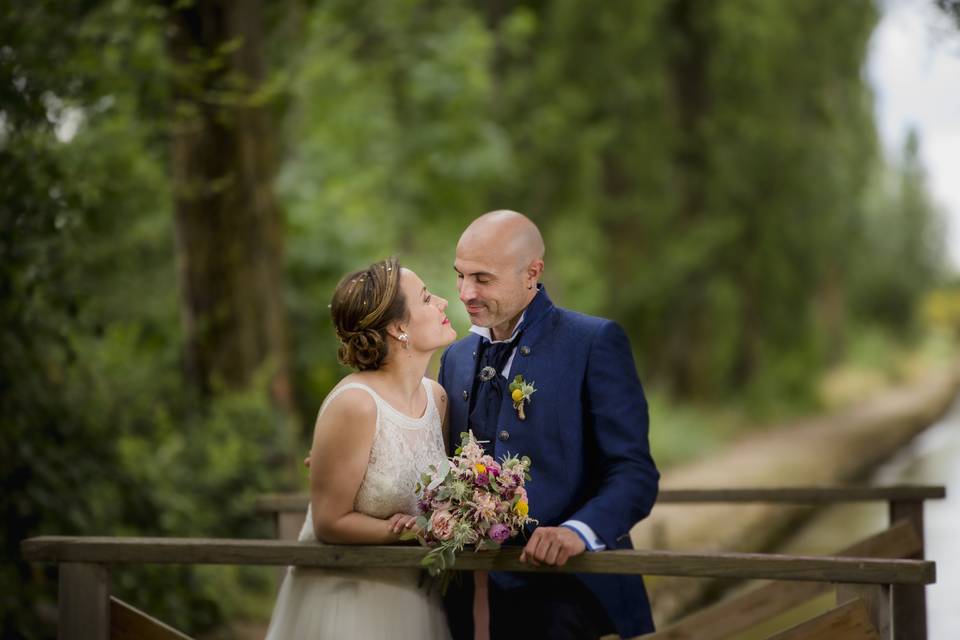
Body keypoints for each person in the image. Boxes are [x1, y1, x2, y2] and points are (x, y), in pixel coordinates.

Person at [439, 210, 660, 639]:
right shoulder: (454, 358)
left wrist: (578, 532)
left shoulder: (593, 342)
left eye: (482, 279)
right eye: (460, 275)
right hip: (466, 594)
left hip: (570, 596)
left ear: (532, 273)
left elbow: (634, 473)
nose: (465, 292)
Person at [265, 257, 455, 639]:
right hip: (350, 597)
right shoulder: (355, 404)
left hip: (416, 598)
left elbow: (444, 493)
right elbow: (328, 521)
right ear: (399, 327)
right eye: (427, 298)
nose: (443, 304)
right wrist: (402, 532)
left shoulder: (436, 399)